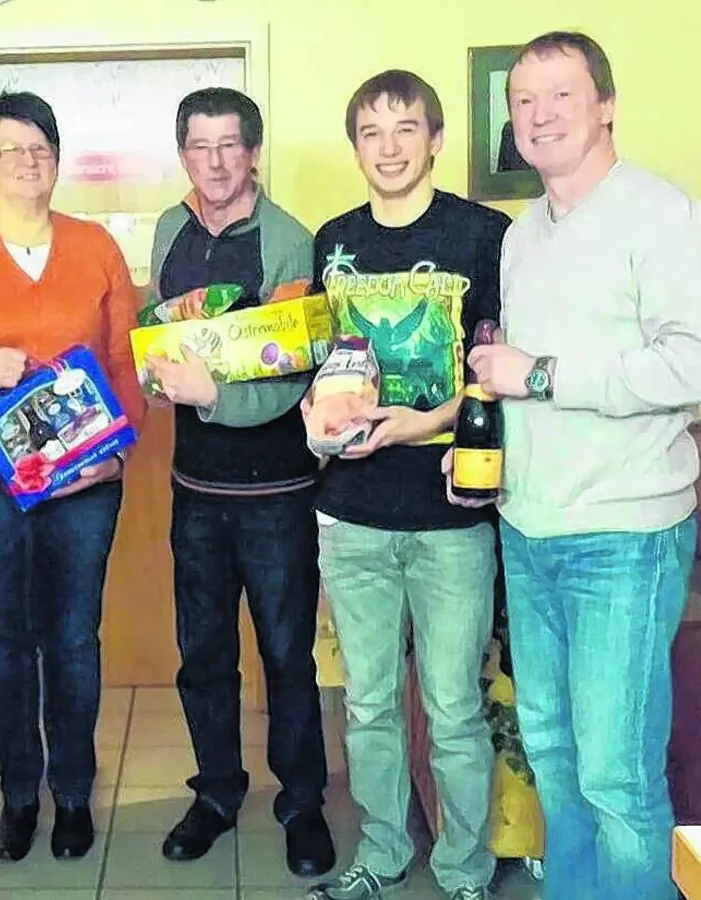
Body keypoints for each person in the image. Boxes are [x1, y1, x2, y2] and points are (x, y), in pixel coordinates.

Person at [460, 31, 701, 900]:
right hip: (528, 528)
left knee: (617, 779)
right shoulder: (522, 235)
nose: (539, 115)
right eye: (524, 101)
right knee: (553, 757)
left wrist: (541, 374)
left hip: (623, 538)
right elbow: (521, 381)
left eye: (561, 95)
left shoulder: (663, 215)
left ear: (606, 105)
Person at [302, 70, 511, 900]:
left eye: (405, 129)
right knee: (369, 705)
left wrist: (423, 423)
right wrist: (317, 416)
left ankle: (465, 870)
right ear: (355, 146)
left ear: (436, 139)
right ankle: (383, 854)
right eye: (371, 132)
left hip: (451, 517)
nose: (388, 148)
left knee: (454, 710)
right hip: (351, 516)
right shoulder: (333, 241)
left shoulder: (483, 235)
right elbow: (326, 364)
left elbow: (495, 369)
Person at [0, 91, 146, 864]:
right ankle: (20, 794)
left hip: (83, 486)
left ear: (57, 159)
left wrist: (117, 453)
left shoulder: (94, 247)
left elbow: (124, 360)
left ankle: (73, 793)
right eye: (12, 149)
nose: (28, 161)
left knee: (73, 639)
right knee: (5, 644)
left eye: (41, 148)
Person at [135, 86, 334, 878]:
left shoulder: (289, 241)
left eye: (229, 145)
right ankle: (216, 793)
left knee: (287, 655)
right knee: (204, 654)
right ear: (183, 154)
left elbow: (291, 369)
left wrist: (211, 395)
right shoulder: (169, 228)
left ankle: (302, 803)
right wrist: (157, 376)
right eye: (199, 145)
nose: (215, 162)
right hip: (195, 490)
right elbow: (161, 331)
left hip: (278, 494)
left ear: (253, 152)